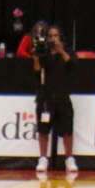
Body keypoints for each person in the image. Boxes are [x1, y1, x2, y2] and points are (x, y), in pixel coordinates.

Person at [33, 25, 78, 174]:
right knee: (43, 129)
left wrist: (61, 51)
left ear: (60, 37)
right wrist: (36, 59)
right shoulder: (44, 52)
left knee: (67, 130)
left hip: (63, 97)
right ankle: (43, 158)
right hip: (45, 98)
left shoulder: (67, 51)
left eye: (56, 35)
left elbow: (73, 65)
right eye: (50, 36)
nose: (53, 38)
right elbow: (37, 72)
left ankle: (69, 158)